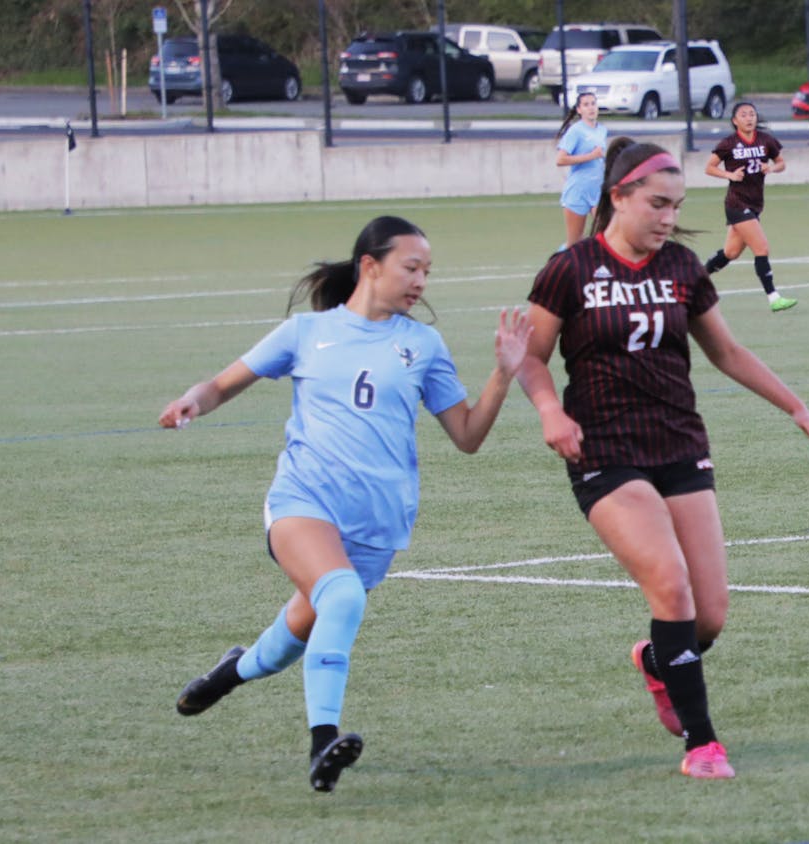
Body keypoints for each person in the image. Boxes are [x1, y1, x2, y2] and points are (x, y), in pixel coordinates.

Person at [160, 216, 532, 794]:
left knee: (296, 635)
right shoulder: (307, 332)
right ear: (369, 265)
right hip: (302, 501)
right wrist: (192, 400)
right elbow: (223, 383)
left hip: (376, 528)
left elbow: (467, 435)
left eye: (428, 271)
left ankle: (229, 672)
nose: (421, 282)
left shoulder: (422, 345)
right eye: (412, 267)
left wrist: (503, 376)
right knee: (341, 595)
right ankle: (322, 741)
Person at [515, 137, 809, 780]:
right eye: (656, 204)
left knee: (708, 614)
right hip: (604, 451)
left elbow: (727, 353)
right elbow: (530, 356)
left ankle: (659, 663)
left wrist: (794, 406)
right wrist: (550, 410)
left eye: (676, 205)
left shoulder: (683, 266)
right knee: (672, 587)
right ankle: (703, 745)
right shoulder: (568, 269)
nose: (666, 217)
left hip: (679, 444)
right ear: (617, 196)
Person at [702, 101, 797, 312]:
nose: (749, 118)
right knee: (761, 248)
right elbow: (709, 167)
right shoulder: (729, 143)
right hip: (736, 203)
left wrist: (771, 168)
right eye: (743, 115)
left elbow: (782, 163)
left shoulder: (766, 140)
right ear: (735, 121)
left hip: (755, 204)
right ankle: (774, 298)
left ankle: (696, 278)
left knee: (731, 252)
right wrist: (729, 175)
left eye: (752, 114)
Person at [556, 91, 608, 249]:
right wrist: (591, 156)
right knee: (574, 243)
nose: (591, 108)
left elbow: (600, 159)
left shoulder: (602, 130)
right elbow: (560, 160)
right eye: (586, 105)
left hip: (597, 191)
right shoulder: (575, 131)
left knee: (605, 236)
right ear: (579, 110)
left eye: (593, 103)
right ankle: (558, 264)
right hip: (578, 191)